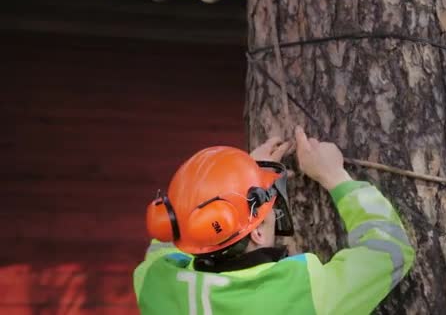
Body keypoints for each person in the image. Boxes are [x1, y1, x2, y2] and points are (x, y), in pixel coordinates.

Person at [133, 126, 415, 314]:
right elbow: (388, 249)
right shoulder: (302, 292)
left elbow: (170, 238)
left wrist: (242, 175)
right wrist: (335, 177)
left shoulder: (154, 283)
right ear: (256, 234)